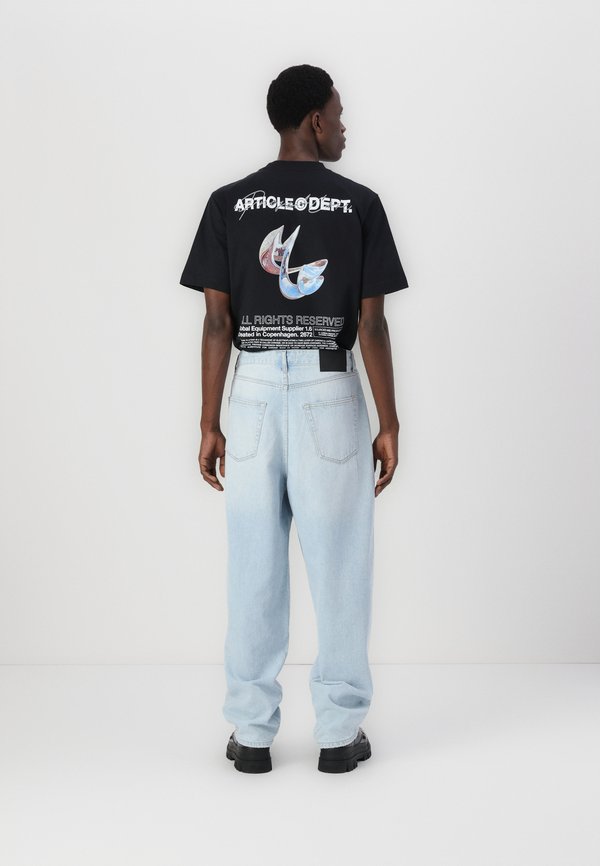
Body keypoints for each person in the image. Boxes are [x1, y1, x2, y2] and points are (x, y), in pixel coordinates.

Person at [179, 64, 409, 774]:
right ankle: (338, 735)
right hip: (328, 390)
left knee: (253, 565)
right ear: (314, 119)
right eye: (338, 114)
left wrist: (209, 422)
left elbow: (217, 322)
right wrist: (389, 421)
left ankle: (251, 735)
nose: (344, 127)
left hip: (249, 393)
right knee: (340, 565)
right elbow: (370, 325)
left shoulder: (228, 202)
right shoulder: (359, 203)